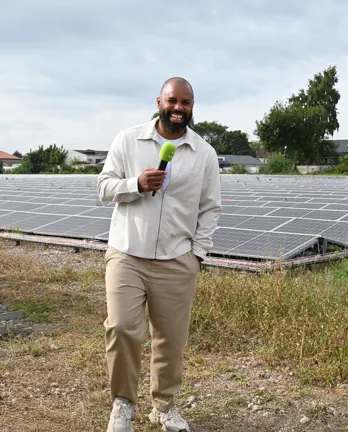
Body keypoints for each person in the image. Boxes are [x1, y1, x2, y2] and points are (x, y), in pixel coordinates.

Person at [97, 77, 221, 432]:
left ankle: (164, 407)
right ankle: (123, 404)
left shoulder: (204, 154)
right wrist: (135, 184)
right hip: (127, 254)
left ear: (192, 107)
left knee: (171, 338)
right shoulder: (128, 140)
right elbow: (103, 188)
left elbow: (210, 208)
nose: (178, 108)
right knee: (121, 328)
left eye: (186, 102)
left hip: (177, 259)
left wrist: (197, 254)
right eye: (172, 101)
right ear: (159, 101)